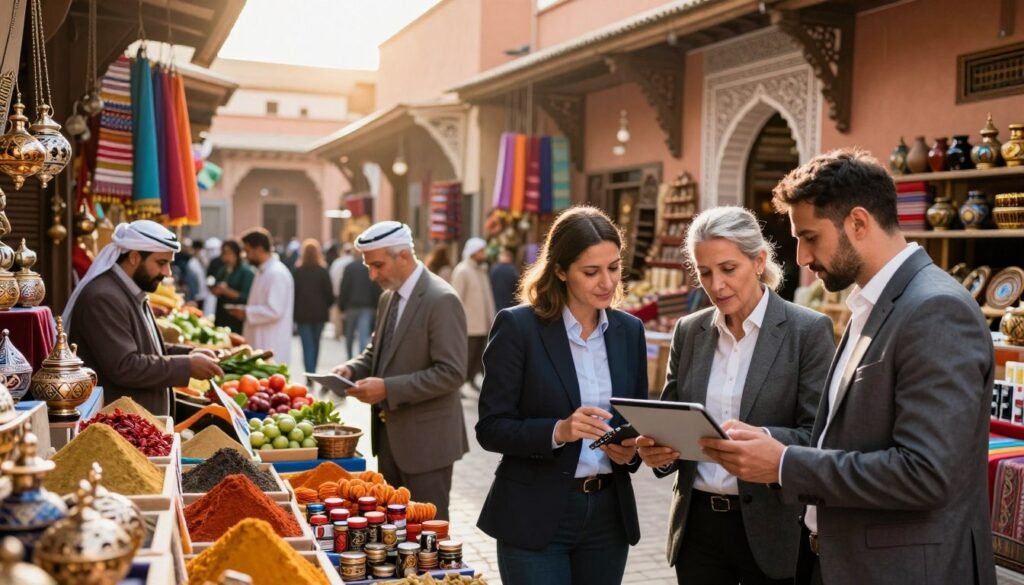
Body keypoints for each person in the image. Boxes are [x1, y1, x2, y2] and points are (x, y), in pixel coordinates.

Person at [698, 149, 997, 585]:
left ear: (858, 222)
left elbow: (927, 474)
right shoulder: (871, 302)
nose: (800, 257)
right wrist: (766, 441)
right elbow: (850, 435)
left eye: (810, 237)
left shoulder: (934, 309)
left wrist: (784, 464)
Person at [635, 206, 834, 585]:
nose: (716, 284)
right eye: (705, 272)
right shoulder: (689, 331)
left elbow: (819, 435)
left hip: (771, 528)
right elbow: (672, 418)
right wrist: (657, 452)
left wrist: (765, 441)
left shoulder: (807, 331)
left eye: (728, 269)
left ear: (759, 261)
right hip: (697, 530)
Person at [476, 206, 648, 585]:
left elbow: (635, 419)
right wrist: (559, 430)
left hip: (608, 517)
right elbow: (491, 428)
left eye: (614, 267)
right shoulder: (518, 327)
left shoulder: (629, 331)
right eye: (591, 272)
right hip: (534, 515)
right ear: (559, 270)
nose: (607, 282)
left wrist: (631, 449)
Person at [332, 221, 468, 520]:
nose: (372, 275)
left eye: (377, 265)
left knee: (427, 533)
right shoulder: (388, 297)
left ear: (403, 257)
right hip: (389, 439)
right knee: (395, 531)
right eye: (369, 266)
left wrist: (388, 389)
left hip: (427, 445)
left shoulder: (441, 299)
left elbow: (452, 372)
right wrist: (350, 369)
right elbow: (377, 352)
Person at [63, 220, 223, 416]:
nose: (167, 273)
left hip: (138, 424)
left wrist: (191, 353)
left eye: (169, 264)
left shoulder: (129, 291)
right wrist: (188, 366)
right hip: (119, 424)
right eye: (161, 263)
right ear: (134, 257)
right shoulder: (103, 297)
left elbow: (149, 349)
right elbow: (125, 366)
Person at [230, 228, 295, 365]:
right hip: (260, 339)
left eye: (247, 251)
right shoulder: (264, 271)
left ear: (258, 249)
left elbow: (274, 311)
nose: (245, 256)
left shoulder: (276, 273)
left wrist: (246, 312)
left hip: (271, 341)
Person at [451, 237, 496, 391]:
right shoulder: (462, 271)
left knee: (478, 358)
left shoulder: (481, 271)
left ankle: (470, 380)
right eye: (481, 251)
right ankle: (458, 386)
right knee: (466, 359)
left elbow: (487, 298)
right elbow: (456, 299)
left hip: (482, 325)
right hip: (468, 326)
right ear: (473, 252)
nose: (484, 254)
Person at [293, 239, 335, 374]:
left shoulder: (298, 272)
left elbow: (294, 293)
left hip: (302, 313)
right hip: (319, 313)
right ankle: (312, 371)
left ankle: (309, 371)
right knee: (316, 344)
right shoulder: (323, 271)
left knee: (307, 345)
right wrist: (326, 305)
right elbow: (329, 293)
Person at [338, 252, 382, 359]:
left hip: (351, 306)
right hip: (367, 305)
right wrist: (377, 305)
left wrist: (342, 306)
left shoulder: (349, 267)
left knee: (349, 334)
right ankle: (361, 359)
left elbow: (344, 287)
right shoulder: (369, 268)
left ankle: (349, 357)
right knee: (363, 335)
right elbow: (375, 286)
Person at [211, 239, 255, 334]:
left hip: (236, 320)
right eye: (224, 254)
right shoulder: (223, 270)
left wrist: (227, 291)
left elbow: (246, 297)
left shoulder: (246, 272)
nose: (226, 257)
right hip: (221, 316)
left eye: (229, 253)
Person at [329, 243, 355, 340]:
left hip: (337, 291)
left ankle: (338, 332)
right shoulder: (352, 262)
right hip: (350, 292)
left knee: (337, 314)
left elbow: (332, 276)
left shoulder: (337, 262)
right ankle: (347, 331)